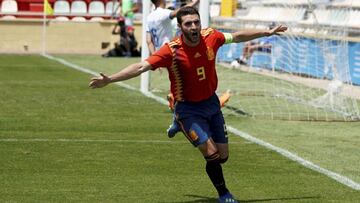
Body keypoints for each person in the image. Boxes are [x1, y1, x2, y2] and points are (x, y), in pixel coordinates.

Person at [89, 6, 287, 203]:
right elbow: (141, 66)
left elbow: (236, 36)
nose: (193, 27)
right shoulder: (171, 50)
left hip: (212, 104)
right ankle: (224, 194)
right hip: (188, 110)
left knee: (223, 157)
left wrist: (266, 32)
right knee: (212, 154)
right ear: (180, 27)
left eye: (196, 22)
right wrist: (110, 79)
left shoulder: (211, 36)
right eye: (188, 24)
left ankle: (178, 124)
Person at [146, 0, 200, 138]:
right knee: (185, 84)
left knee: (179, 84)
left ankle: (180, 115)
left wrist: (155, 57)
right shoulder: (162, 13)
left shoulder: (150, 16)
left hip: (162, 54)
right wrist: (195, 2)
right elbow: (180, 13)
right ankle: (180, 118)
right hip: (172, 54)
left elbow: (148, 40)